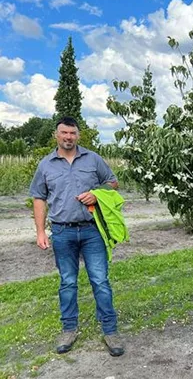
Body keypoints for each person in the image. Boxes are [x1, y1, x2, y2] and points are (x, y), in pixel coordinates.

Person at [30, 116, 124, 357]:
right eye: (64, 133)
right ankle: (69, 329)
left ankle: (110, 330)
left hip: (92, 230)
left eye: (72, 133)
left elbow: (113, 183)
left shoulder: (93, 159)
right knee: (68, 282)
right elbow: (39, 198)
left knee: (100, 281)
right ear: (56, 135)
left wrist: (96, 194)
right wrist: (40, 231)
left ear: (78, 135)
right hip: (62, 231)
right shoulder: (46, 165)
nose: (68, 137)